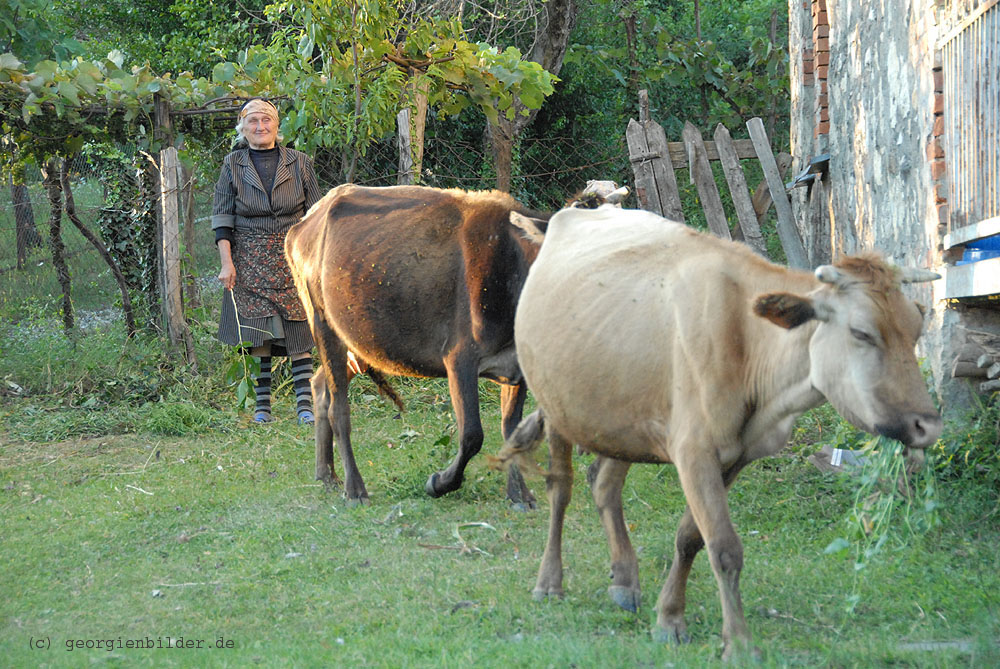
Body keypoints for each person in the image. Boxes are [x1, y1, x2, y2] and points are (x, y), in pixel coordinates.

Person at [211, 98, 322, 424]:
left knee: (299, 331)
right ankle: (263, 408)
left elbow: (317, 215)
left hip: (294, 258)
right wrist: (226, 263)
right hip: (250, 258)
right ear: (242, 129)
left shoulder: (300, 163)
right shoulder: (233, 164)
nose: (260, 127)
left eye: (266, 120)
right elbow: (222, 219)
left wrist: (316, 261)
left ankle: (305, 407)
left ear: (277, 125)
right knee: (259, 335)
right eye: (253, 121)